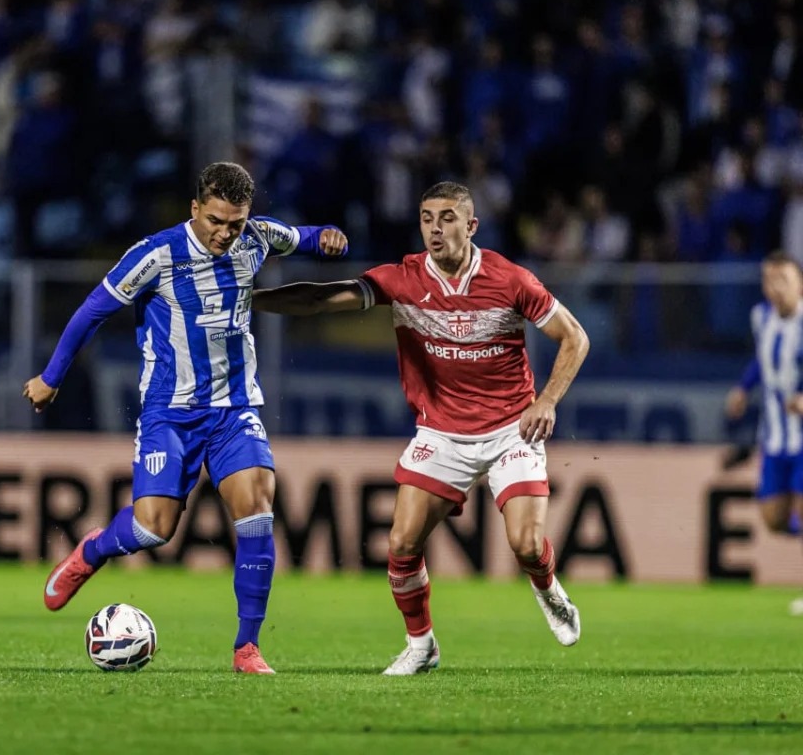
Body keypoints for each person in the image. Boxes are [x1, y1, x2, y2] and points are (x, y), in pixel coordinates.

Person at [252, 181, 590, 675]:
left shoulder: (510, 279)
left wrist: (548, 401)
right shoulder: (403, 280)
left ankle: (548, 589)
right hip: (441, 434)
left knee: (524, 545)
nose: (435, 228)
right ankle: (421, 645)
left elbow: (575, 337)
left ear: (471, 226)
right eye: (427, 218)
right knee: (401, 544)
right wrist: (251, 299)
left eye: (448, 218)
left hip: (510, 431)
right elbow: (323, 299)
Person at [23, 162, 347, 673]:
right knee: (154, 529)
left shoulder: (257, 237)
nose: (225, 233)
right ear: (195, 209)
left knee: (257, 509)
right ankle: (94, 550)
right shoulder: (156, 254)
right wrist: (51, 376)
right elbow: (92, 311)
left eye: (234, 223)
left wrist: (328, 237)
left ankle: (247, 647)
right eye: (215, 220)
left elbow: (304, 237)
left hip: (235, 408)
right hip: (169, 414)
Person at [724, 249, 803, 616]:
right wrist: (743, 388)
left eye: (782, 280)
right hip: (774, 438)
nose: (774, 288)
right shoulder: (761, 317)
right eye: (768, 280)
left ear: (800, 285)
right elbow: (762, 359)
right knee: (773, 518)